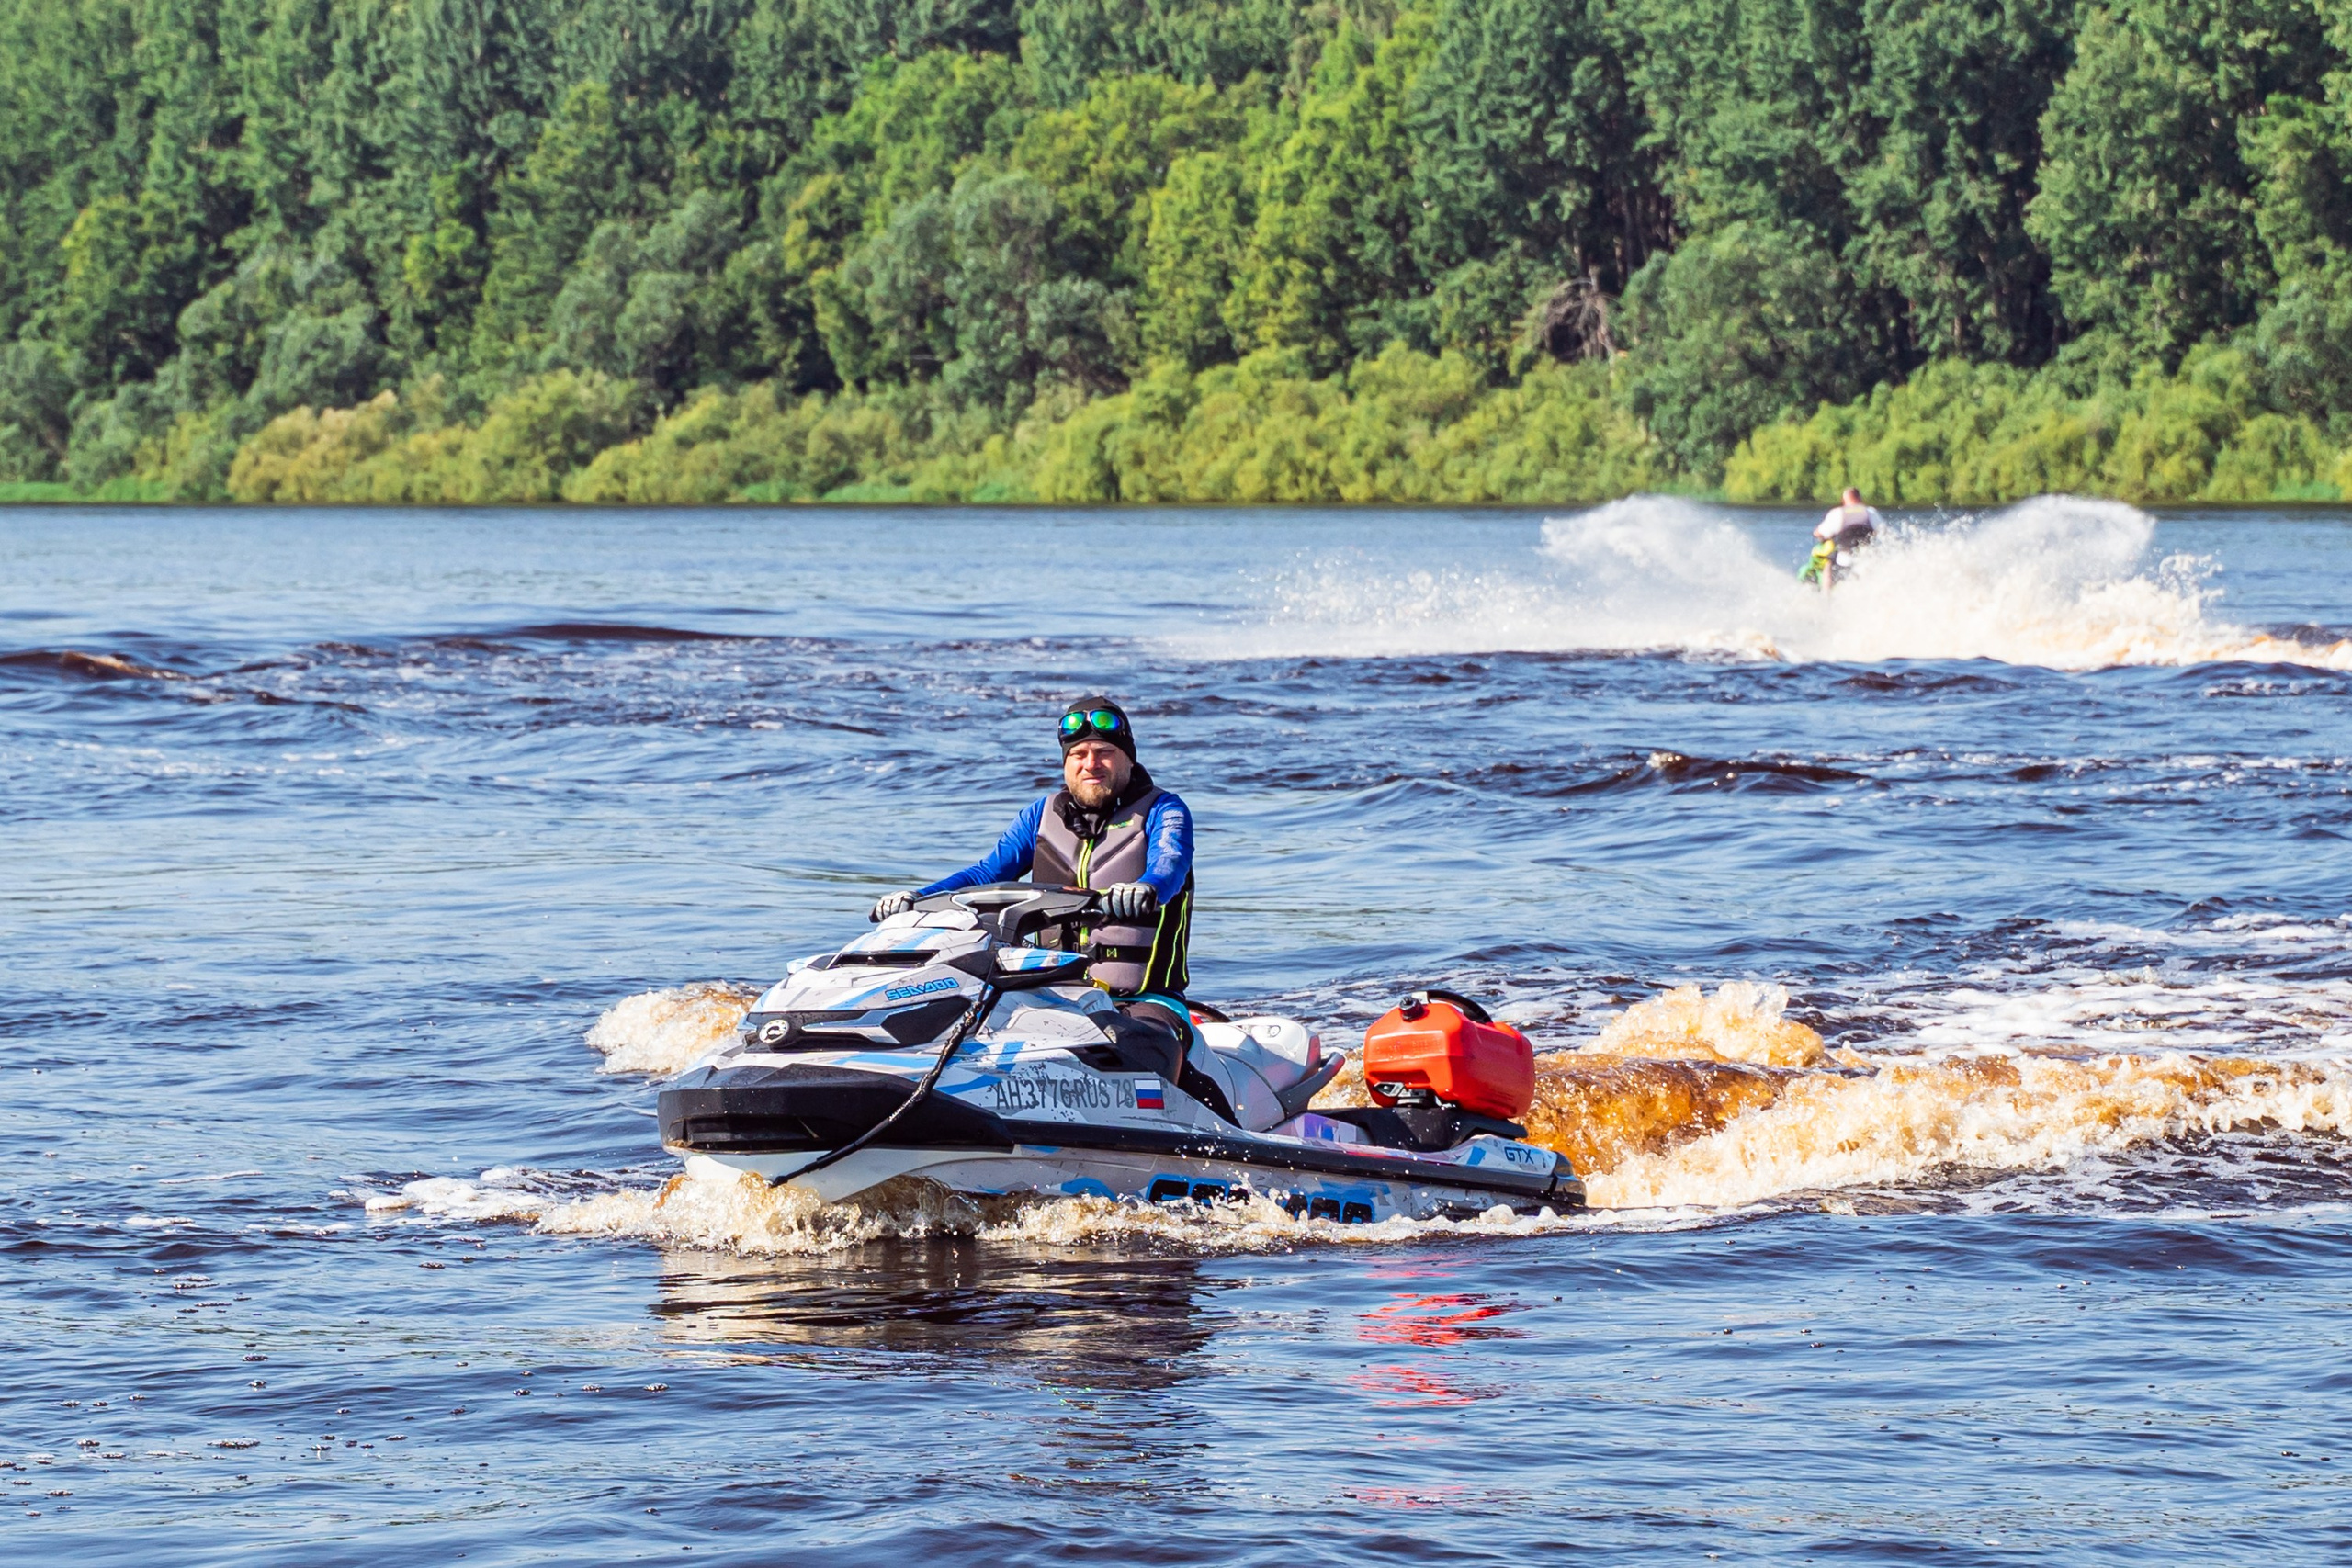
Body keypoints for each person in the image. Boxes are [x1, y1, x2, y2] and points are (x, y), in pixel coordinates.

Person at [867, 696, 1198, 1078]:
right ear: (1066, 762)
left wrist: (1145, 888)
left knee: (1141, 1050)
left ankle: (1217, 1126)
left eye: (1105, 752)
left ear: (1128, 758)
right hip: (1050, 995)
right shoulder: (1039, 817)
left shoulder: (1165, 811)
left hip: (1142, 1000)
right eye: (1079, 754)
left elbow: (1169, 865)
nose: (1091, 764)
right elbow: (984, 874)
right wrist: (917, 900)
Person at [1802, 487, 1884, 588]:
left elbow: (1820, 533)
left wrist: (1818, 534)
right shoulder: (1870, 512)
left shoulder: (1838, 512)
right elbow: (1882, 530)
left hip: (1844, 557)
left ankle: (1826, 596)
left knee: (1827, 564)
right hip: (1867, 555)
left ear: (1844, 500)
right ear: (1859, 499)